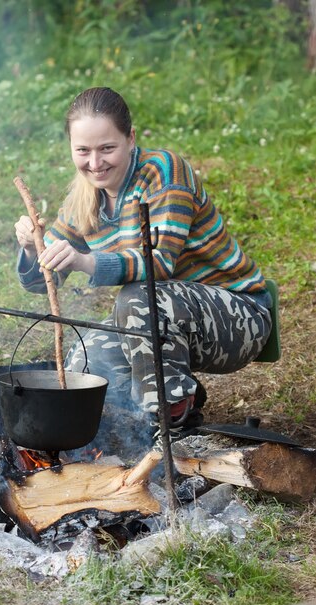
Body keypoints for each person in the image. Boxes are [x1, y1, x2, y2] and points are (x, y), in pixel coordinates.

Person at [14, 86, 272, 441]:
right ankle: (175, 404)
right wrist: (31, 248)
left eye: (107, 148)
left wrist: (86, 261)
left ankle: (171, 429)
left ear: (130, 138)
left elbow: (158, 265)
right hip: (167, 318)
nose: (95, 163)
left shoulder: (164, 172)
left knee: (137, 298)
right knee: (85, 360)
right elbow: (42, 280)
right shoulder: (82, 198)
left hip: (239, 317)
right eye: (83, 151)